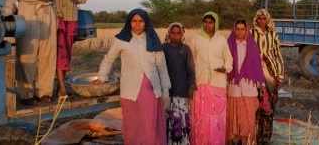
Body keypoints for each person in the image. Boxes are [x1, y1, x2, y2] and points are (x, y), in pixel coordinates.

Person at [91, 8, 171, 145]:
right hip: (130, 89)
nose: (138, 24)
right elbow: (108, 59)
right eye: (134, 21)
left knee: (149, 125)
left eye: (141, 21)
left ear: (146, 23)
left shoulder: (153, 39)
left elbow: (161, 66)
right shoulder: (121, 39)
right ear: (129, 22)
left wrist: (165, 90)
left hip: (151, 90)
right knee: (132, 125)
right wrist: (101, 78)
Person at [2, 0, 57, 105]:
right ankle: (25, 93)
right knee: (27, 54)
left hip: (47, 10)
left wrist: (56, 13)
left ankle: (44, 93)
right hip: (27, 9)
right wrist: (8, 12)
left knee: (48, 54)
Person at [188, 11, 233, 145]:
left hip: (217, 83)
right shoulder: (195, 39)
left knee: (217, 116)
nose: (207, 25)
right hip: (200, 81)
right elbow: (190, 61)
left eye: (211, 23)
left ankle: (216, 141)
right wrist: (191, 80)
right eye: (205, 22)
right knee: (200, 115)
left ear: (215, 24)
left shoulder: (221, 40)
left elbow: (229, 59)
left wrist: (225, 68)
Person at [226, 20, 266, 145]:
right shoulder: (228, 44)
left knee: (248, 117)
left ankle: (247, 140)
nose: (240, 32)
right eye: (237, 29)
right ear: (234, 30)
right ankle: (234, 139)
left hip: (249, 86)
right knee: (234, 117)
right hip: (234, 86)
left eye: (242, 29)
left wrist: (262, 84)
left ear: (246, 30)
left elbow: (257, 67)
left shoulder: (252, 46)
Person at [251, 9, 285, 144]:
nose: (261, 21)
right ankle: (254, 135)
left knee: (269, 105)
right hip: (254, 72)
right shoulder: (251, 33)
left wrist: (280, 77)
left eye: (264, 18)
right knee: (255, 105)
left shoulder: (273, 34)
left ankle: (266, 136)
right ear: (256, 20)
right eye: (259, 18)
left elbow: (278, 55)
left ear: (268, 20)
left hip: (271, 73)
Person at [163, 22, 196, 145]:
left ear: (182, 34)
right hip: (168, 91)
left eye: (178, 33)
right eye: (173, 33)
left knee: (182, 118)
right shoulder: (163, 48)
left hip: (183, 90)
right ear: (168, 33)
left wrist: (192, 86)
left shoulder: (186, 49)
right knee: (170, 118)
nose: (175, 36)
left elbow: (191, 69)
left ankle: (184, 142)